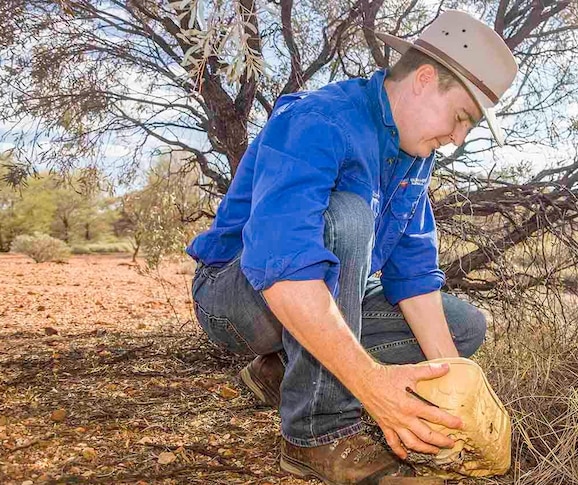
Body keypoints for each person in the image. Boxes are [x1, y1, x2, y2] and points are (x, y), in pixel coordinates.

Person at [187, 10, 517, 484]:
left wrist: (457, 395)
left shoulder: (413, 158)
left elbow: (415, 280)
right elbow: (281, 265)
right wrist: (373, 388)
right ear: (425, 79)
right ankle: (318, 436)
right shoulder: (318, 120)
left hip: (316, 295)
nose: (457, 138)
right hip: (238, 299)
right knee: (346, 216)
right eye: (461, 117)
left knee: (462, 330)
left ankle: (281, 372)